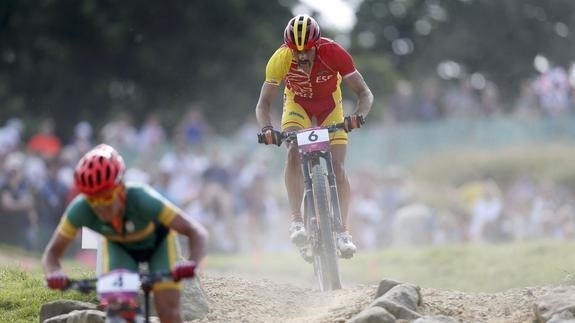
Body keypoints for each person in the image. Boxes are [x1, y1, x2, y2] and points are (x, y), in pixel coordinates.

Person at [42, 144, 209, 323]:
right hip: (120, 248)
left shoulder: (142, 197)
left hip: (158, 246)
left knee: (168, 310)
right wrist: (54, 273)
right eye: (92, 199)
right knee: (119, 311)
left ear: (120, 188)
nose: (100, 206)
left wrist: (193, 263)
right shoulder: (80, 209)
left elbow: (196, 232)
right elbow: (52, 253)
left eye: (106, 197)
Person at [255, 14, 374, 258]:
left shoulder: (334, 53)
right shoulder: (279, 59)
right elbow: (263, 104)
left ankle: (342, 232)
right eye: (295, 51)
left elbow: (365, 93)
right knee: (292, 152)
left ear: (317, 45)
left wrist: (357, 116)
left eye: (306, 50)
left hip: (331, 108)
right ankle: (297, 221)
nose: (300, 56)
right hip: (297, 107)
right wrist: (267, 129)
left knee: (339, 167)